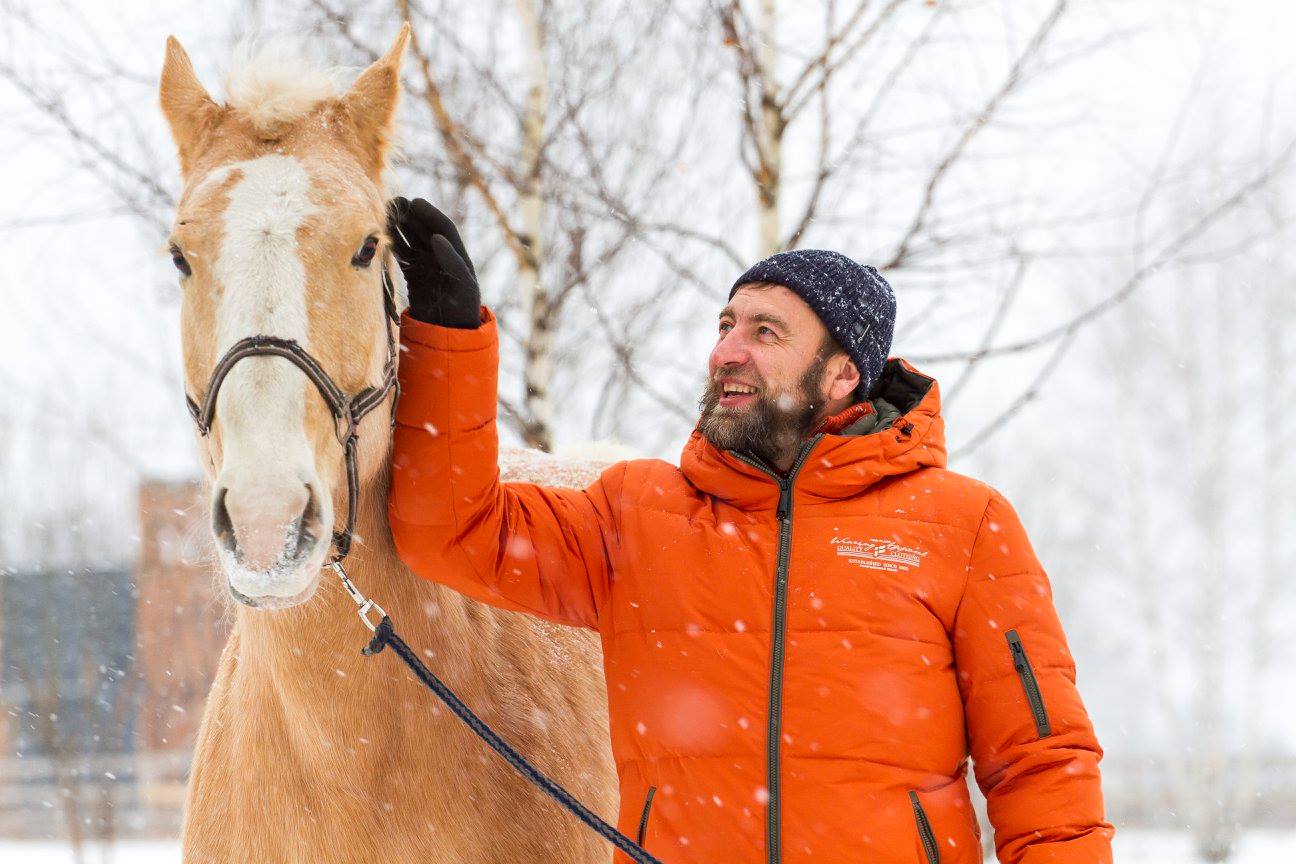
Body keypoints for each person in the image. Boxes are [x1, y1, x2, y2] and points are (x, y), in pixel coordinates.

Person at [385, 197, 1114, 864]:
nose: (728, 350)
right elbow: (451, 530)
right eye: (726, 325)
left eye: (766, 331)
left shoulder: (961, 524)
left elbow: (1042, 766)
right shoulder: (639, 516)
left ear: (841, 375)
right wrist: (448, 340)